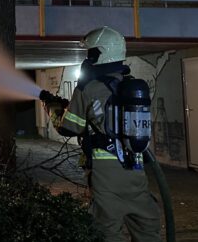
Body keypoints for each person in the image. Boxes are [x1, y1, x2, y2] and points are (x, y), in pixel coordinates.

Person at [44, 26, 161, 242]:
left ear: (101, 53)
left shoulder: (88, 88)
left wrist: (53, 108)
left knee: (106, 230)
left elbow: (69, 127)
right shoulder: (131, 86)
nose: (88, 58)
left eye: (91, 53)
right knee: (147, 230)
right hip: (135, 170)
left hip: (106, 174)